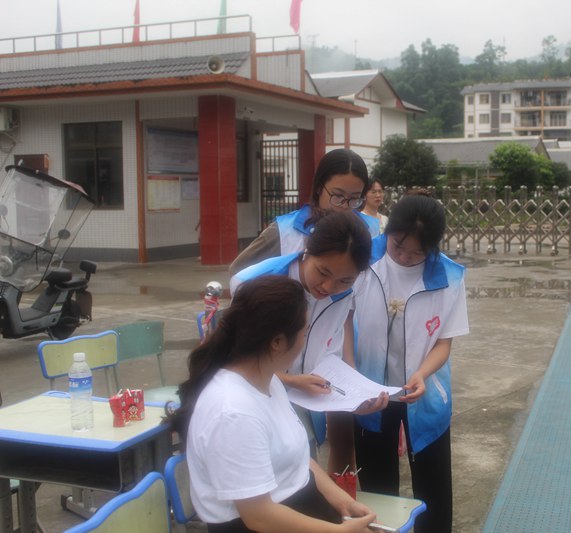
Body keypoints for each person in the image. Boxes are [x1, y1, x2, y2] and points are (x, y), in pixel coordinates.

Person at [170, 276, 377, 532]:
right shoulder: (233, 412)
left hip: (296, 507)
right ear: (277, 342)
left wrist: (343, 502)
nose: (305, 340)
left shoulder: (268, 380)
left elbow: (297, 461)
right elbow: (258, 516)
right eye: (304, 332)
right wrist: (338, 531)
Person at [230, 210, 388, 475]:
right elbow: (235, 360)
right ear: (307, 250)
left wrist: (353, 400)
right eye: (323, 272)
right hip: (251, 405)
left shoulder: (344, 295)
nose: (328, 287)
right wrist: (291, 381)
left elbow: (328, 356)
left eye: (345, 280)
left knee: (303, 475)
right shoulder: (259, 285)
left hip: (301, 407)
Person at [351, 195, 469, 533]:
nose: (404, 257)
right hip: (372, 391)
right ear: (389, 231)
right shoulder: (361, 258)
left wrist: (422, 373)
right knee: (376, 487)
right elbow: (342, 319)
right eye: (398, 246)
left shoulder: (448, 276)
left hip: (424, 393)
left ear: (432, 248)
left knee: (433, 488)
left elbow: (444, 342)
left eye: (416, 253)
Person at [229, 148, 380, 275]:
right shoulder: (285, 231)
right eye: (338, 195)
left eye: (354, 198)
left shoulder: (370, 230)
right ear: (319, 187)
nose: (345, 206)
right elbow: (238, 271)